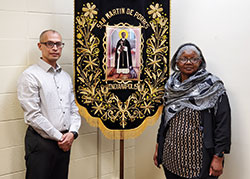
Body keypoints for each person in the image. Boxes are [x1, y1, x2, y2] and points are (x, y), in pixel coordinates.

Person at [153, 43, 231, 179]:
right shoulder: (171, 86)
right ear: (176, 62)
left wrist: (219, 156)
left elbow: (223, 124)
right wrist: (159, 145)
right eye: (184, 59)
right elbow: (165, 119)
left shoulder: (212, 87)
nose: (188, 62)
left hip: (198, 160)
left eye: (194, 59)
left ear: (200, 62)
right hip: (171, 156)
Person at [17, 29, 81, 179]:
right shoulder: (30, 76)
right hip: (42, 144)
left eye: (58, 44)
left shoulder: (65, 77)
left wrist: (72, 133)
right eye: (50, 43)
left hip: (65, 142)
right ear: (40, 46)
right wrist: (60, 137)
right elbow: (33, 115)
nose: (55, 48)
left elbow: (73, 109)